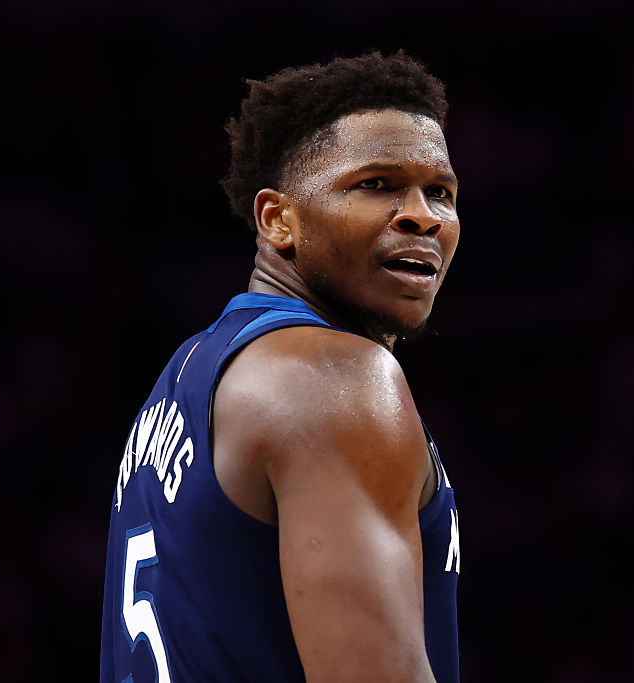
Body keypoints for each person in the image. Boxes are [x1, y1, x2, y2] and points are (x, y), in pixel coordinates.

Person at [99, 51, 461, 683]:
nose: (423, 215)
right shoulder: (334, 380)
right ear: (278, 220)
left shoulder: (194, 369)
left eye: (440, 192)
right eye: (375, 184)